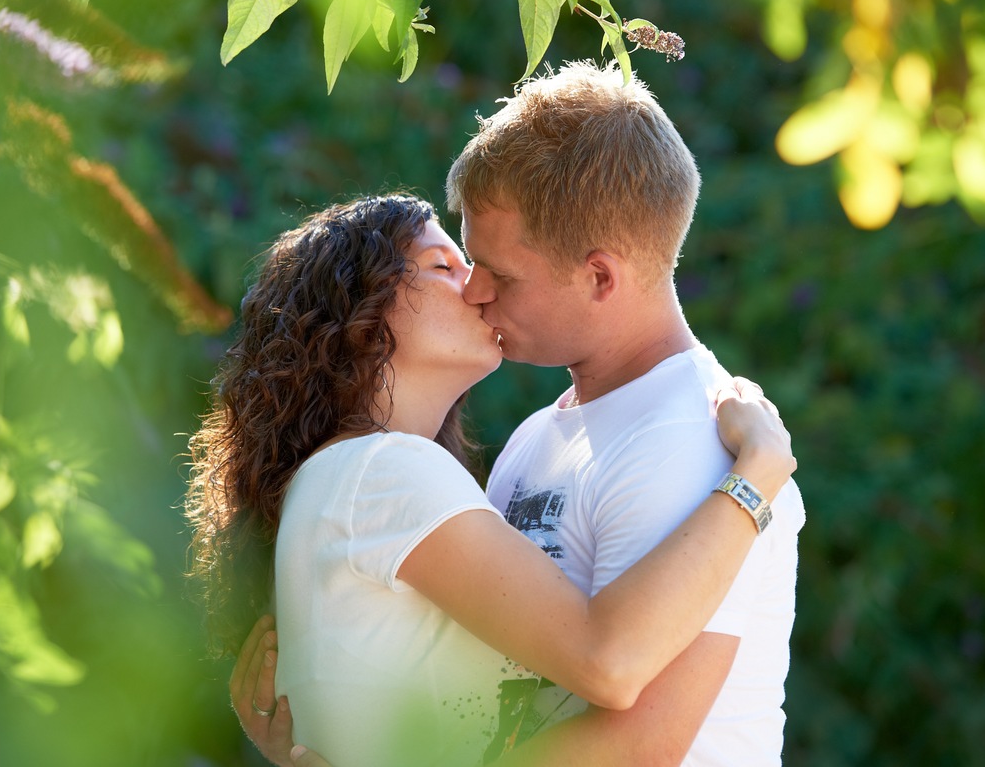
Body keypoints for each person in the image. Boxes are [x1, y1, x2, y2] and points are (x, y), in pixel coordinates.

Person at [228, 62, 806, 766]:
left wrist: (757, 476)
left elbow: (638, 741)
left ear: (599, 276)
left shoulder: (699, 438)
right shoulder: (537, 438)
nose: (477, 291)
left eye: (496, 273)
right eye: (459, 265)